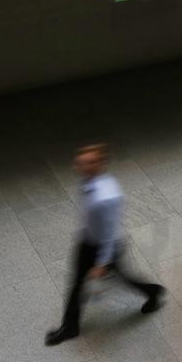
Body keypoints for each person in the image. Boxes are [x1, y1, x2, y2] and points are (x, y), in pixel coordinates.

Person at [45, 143, 165, 346]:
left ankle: (152, 292)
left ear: (100, 164)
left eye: (89, 161)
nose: (82, 165)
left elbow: (109, 233)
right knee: (76, 284)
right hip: (87, 242)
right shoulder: (89, 183)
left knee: (123, 278)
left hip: (104, 249)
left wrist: (101, 263)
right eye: (81, 161)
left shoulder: (106, 197)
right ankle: (70, 327)